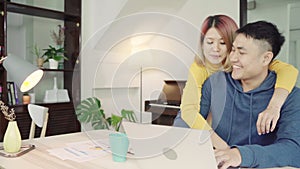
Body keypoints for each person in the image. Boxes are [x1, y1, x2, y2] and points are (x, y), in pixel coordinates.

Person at [200, 21, 300, 168]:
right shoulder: (215, 83)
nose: (232, 58)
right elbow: (185, 123)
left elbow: (293, 151)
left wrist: (240, 155)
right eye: (232, 49)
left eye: (241, 52)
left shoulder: (291, 96)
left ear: (266, 58)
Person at [177, 15, 298, 137]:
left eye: (223, 43)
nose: (215, 48)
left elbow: (288, 71)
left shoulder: (249, 63)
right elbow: (188, 111)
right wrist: (216, 142)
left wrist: (274, 106)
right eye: (209, 42)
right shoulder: (200, 69)